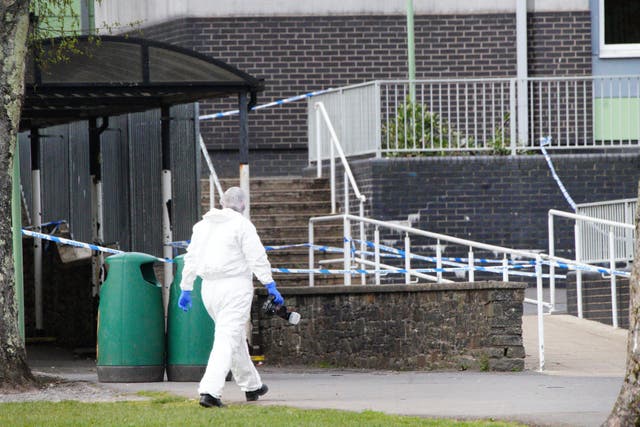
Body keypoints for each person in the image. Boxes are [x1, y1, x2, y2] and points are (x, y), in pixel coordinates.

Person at [177, 186, 284, 408]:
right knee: (227, 338)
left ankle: (252, 385)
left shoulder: (202, 226)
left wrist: (186, 287)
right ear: (243, 205)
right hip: (235, 286)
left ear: (222, 202)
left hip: (208, 289)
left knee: (233, 337)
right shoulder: (242, 225)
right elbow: (256, 257)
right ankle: (210, 392)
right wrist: (269, 283)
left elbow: (191, 257)